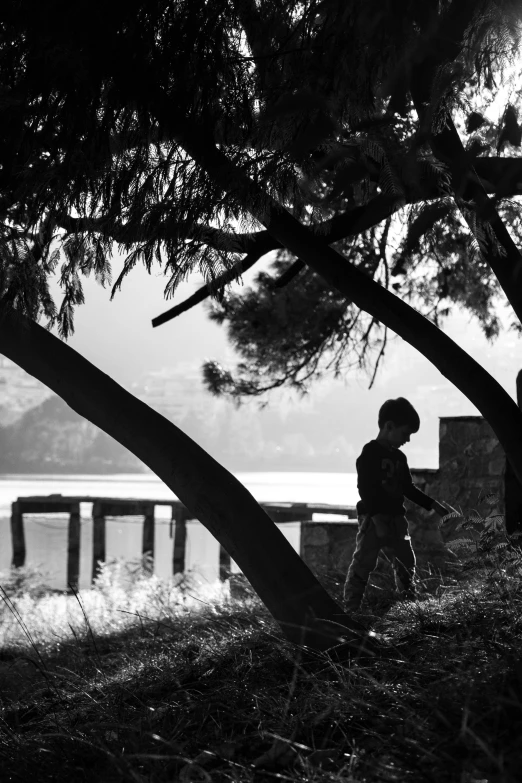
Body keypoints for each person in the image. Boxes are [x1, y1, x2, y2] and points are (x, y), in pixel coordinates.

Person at [344, 397, 448, 613]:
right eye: (405, 433)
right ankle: (351, 608)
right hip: (372, 519)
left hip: (396, 519)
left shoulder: (400, 458)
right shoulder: (369, 453)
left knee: (406, 561)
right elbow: (365, 489)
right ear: (389, 426)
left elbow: (407, 489)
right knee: (363, 561)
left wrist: (432, 504)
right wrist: (376, 518)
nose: (407, 440)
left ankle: (408, 604)